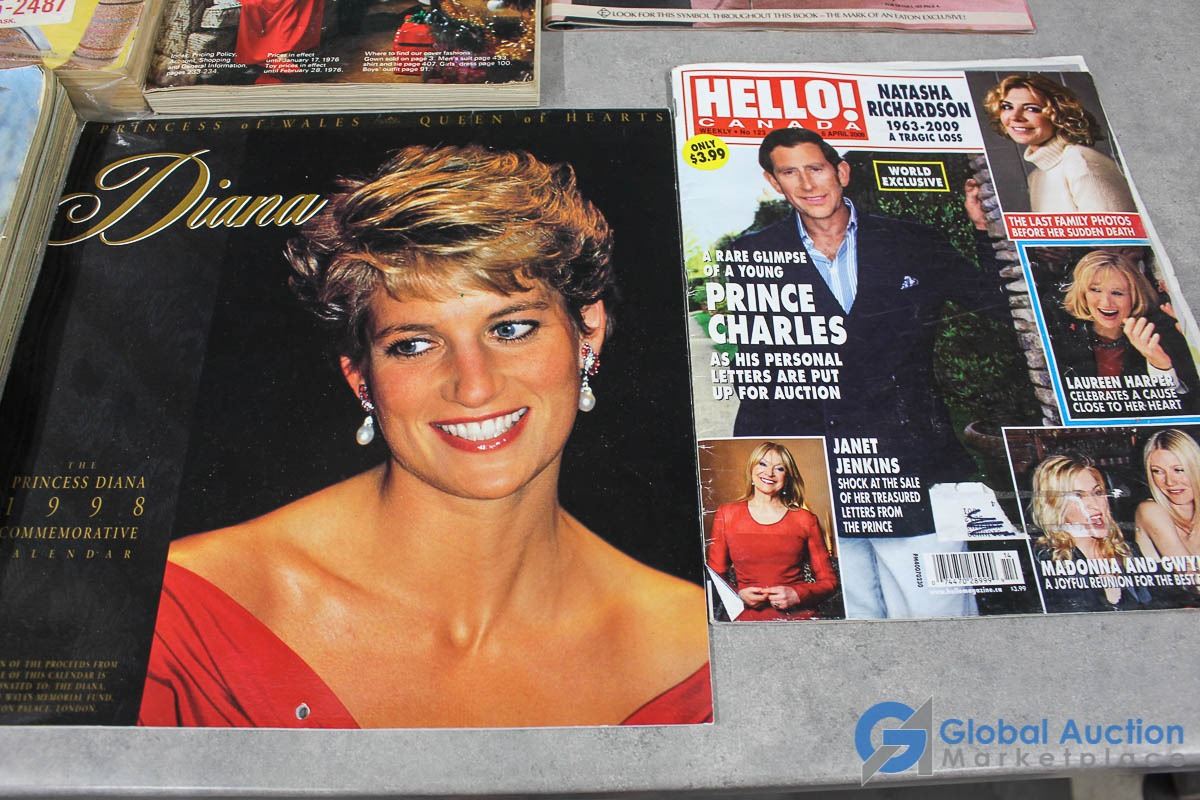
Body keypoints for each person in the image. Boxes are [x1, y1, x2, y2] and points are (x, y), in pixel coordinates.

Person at [138, 144, 711, 728]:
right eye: (414, 344)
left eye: (512, 328)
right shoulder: (181, 612)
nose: (474, 387)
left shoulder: (693, 645)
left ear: (588, 331)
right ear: (361, 377)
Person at [729, 127, 1016, 618]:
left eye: (816, 168)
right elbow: (763, 371)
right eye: (790, 172)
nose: (807, 184)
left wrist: (983, 234)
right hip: (824, 470)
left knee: (938, 612)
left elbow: (997, 304)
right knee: (860, 614)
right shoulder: (751, 252)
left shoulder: (912, 240)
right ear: (774, 183)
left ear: (841, 172)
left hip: (913, 461)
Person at [706, 442, 837, 620]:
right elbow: (714, 577)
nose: (769, 473)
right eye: (763, 464)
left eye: (779, 468)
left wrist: (797, 594)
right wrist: (738, 595)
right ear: (751, 469)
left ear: (787, 477)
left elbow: (829, 581)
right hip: (747, 622)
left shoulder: (805, 519)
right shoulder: (727, 514)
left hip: (799, 619)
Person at [1053, 250, 1197, 413]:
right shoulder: (1062, 338)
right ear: (1082, 294)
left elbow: (1186, 410)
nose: (1106, 302)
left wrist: (1160, 366)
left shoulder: (1161, 338)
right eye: (1095, 290)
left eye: (1117, 293)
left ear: (1134, 297)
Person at [983, 73, 1136, 214]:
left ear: (1058, 114)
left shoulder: (1080, 161)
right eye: (1007, 107)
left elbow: (1118, 234)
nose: (1015, 117)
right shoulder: (1035, 177)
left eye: (1032, 109)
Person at [1031, 453, 1153, 613]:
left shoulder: (1128, 552)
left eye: (1097, 493)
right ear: (1055, 505)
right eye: (1078, 496)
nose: (1095, 505)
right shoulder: (1047, 561)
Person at [1136, 429, 1200, 560]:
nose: (1169, 482)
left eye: (1178, 470)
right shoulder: (1151, 511)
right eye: (1158, 471)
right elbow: (1186, 569)